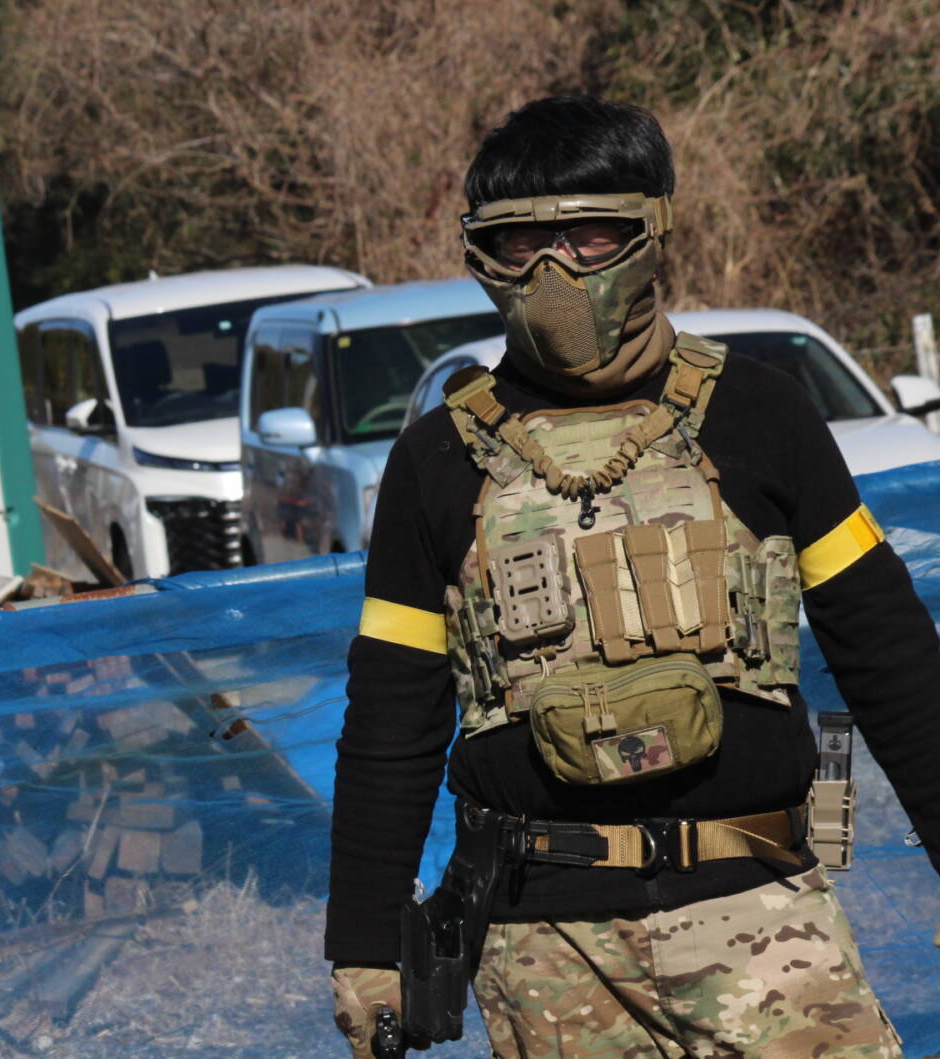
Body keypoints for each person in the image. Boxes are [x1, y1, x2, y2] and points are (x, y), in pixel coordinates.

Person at [327, 96, 938, 1057]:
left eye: (589, 235)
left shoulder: (761, 413)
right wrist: (364, 947)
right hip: (545, 946)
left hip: (765, 923)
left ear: (652, 231)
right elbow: (390, 718)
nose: (555, 272)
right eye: (522, 243)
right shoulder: (433, 461)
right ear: (484, 255)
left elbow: (889, 655)